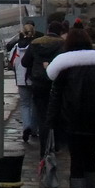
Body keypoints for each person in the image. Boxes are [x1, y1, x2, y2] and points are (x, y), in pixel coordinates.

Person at [46, 27, 95, 188]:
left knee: (76, 157)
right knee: (90, 155)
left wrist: (51, 120)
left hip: (71, 118)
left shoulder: (65, 66)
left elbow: (56, 96)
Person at [22, 21, 65, 158]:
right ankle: (56, 144)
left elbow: (25, 62)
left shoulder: (35, 43)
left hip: (39, 83)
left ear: (47, 30)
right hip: (57, 83)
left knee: (42, 116)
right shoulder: (63, 44)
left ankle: (44, 149)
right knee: (57, 114)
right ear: (60, 31)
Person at [6, 21, 41, 142]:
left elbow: (11, 62)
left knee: (25, 104)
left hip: (21, 79)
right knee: (35, 104)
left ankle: (26, 126)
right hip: (34, 78)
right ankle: (34, 130)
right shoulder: (36, 45)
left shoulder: (16, 46)